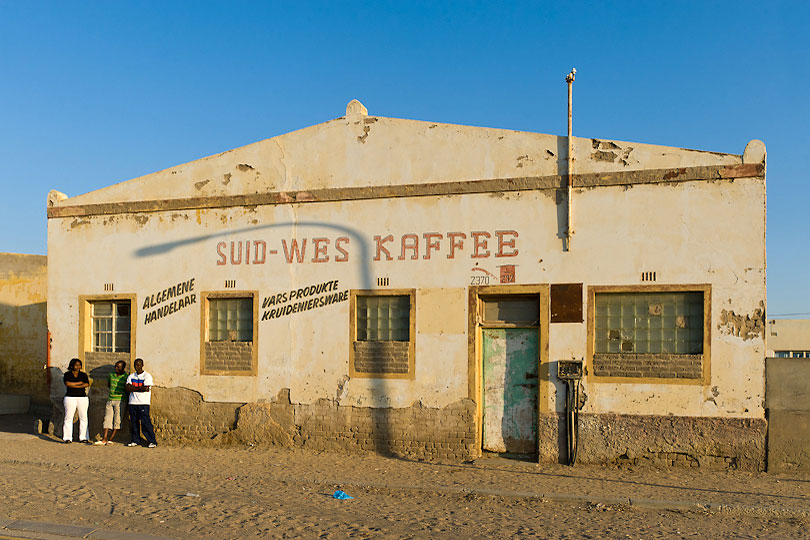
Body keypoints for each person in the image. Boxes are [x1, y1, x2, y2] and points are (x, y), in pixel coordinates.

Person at [125, 358, 157, 448]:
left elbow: (146, 389)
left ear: (142, 365)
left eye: (138, 365)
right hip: (132, 403)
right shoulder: (131, 376)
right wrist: (139, 388)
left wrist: (133, 388)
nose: (136, 367)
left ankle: (152, 441)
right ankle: (135, 440)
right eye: (135, 365)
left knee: (145, 422)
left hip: (143, 403)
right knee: (133, 422)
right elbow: (127, 388)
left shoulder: (147, 376)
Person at [95, 360, 128, 445]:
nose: (116, 368)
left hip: (120, 400)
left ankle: (111, 439)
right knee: (107, 418)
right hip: (110, 399)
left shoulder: (126, 377)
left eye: (118, 367)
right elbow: (109, 385)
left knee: (117, 420)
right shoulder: (111, 375)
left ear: (123, 368)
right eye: (115, 367)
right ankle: (104, 438)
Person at [62, 358, 90, 444]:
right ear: (72, 365)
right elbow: (67, 384)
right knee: (68, 417)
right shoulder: (67, 374)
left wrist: (74, 385)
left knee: (83, 417)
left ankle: (83, 437)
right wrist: (79, 384)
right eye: (76, 365)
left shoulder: (83, 375)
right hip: (70, 398)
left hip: (82, 398)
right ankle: (67, 437)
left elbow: (86, 384)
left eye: (79, 365)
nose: (78, 367)